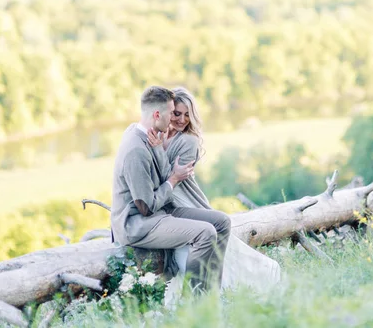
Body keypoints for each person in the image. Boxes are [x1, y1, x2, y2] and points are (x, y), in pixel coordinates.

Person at [148, 86, 281, 292]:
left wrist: (156, 150)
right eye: (176, 113)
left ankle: (216, 289)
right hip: (165, 201)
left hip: (186, 201)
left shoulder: (188, 141)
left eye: (187, 115)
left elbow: (169, 178)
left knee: (214, 246)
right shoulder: (160, 134)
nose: (182, 120)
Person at [110, 85, 231, 293]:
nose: (175, 121)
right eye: (172, 113)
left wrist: (167, 169)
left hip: (161, 211)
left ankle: (212, 292)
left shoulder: (146, 135)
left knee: (222, 222)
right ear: (157, 114)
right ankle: (196, 300)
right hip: (138, 223)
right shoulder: (136, 150)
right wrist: (173, 179)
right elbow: (146, 207)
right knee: (205, 232)